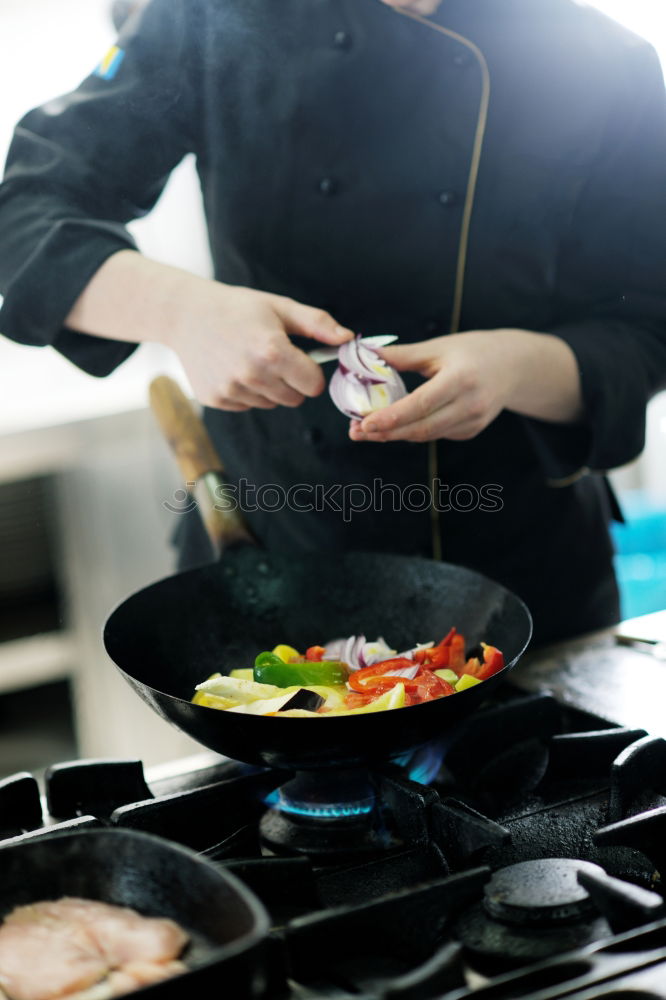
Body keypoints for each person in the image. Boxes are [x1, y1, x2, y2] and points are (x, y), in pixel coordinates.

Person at [1, 0, 666, 646]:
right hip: (278, 556)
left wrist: (514, 367)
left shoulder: (606, 61)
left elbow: (648, 328)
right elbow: (26, 211)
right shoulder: (209, 14)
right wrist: (181, 310)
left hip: (526, 582)